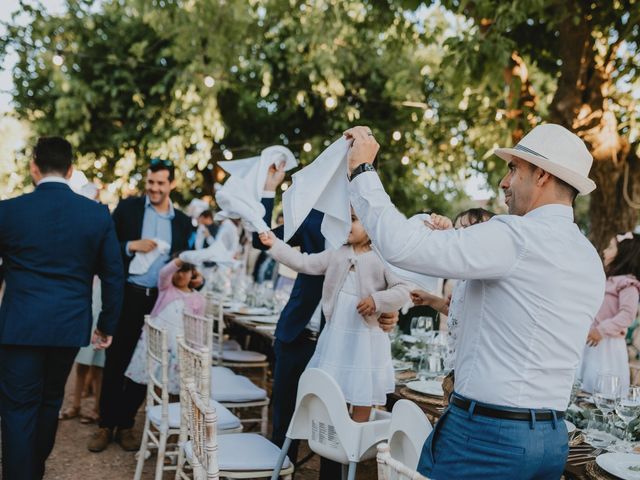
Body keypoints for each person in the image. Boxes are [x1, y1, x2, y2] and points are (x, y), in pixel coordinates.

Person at [343, 123, 606, 479]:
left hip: (488, 437)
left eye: (514, 169)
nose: (504, 182)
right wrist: (457, 246)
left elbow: (401, 246)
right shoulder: (588, 257)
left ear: (541, 175)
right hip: (551, 439)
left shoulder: (515, 236)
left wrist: (362, 171)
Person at [252, 162, 398, 477]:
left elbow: (397, 288)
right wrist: (268, 192)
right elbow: (268, 243)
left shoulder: (379, 238)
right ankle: (278, 472)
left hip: (354, 345)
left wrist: (387, 307)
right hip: (300, 336)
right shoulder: (314, 220)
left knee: (340, 427)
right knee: (287, 417)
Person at [0, 137, 123, 480]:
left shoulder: (8, 211)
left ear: (33, 168)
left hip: (19, 327)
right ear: (70, 171)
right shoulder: (96, 215)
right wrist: (106, 325)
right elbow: (114, 275)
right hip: (67, 327)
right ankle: (33, 470)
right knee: (49, 401)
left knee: (17, 408)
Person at [260, 209, 410, 420]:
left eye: (354, 220)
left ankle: (355, 440)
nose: (346, 224)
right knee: (330, 388)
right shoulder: (337, 253)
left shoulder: (383, 259)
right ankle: (330, 434)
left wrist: (377, 301)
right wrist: (275, 244)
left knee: (361, 392)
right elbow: (304, 262)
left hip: (364, 338)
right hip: (336, 336)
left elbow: (402, 290)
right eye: (344, 219)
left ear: (371, 225)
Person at [89, 158, 194, 453]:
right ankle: (104, 425)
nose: (154, 188)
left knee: (149, 362)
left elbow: (186, 260)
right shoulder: (128, 208)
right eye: (151, 182)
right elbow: (107, 247)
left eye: (161, 183)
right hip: (129, 294)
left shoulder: (183, 222)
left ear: (171, 184)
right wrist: (130, 246)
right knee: (117, 359)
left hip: (162, 301)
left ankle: (125, 424)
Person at [411, 208, 495, 403]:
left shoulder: (484, 278)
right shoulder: (462, 280)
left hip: (474, 375)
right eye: (457, 230)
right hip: (454, 370)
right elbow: (458, 313)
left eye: (468, 230)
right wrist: (432, 301)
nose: (459, 236)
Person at [125, 258, 205, 393]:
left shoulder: (198, 299)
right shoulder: (166, 288)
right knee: (139, 384)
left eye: (185, 271)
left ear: (193, 274)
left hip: (176, 348)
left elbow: (197, 329)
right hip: (153, 343)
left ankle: (158, 411)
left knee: (166, 387)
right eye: (177, 271)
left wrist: (196, 352)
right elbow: (164, 273)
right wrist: (181, 259)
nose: (180, 275)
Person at [579, 232, 640, 393]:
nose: (605, 251)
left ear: (624, 254)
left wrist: (601, 330)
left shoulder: (628, 284)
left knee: (603, 388)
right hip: (591, 340)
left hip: (608, 344)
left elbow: (627, 315)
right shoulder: (606, 280)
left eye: (610, 247)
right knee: (584, 386)